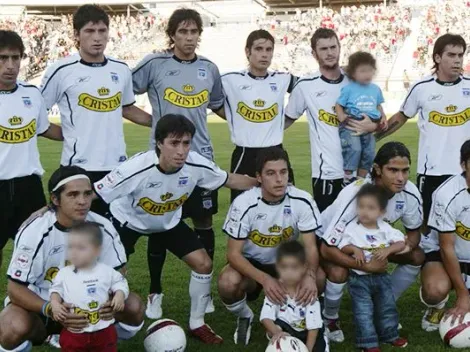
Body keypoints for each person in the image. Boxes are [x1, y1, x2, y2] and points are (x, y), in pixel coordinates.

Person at [94, 113, 258, 344]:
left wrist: (262, 183)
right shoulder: (136, 168)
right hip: (127, 222)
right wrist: (55, 206)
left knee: (203, 263)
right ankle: (101, 326)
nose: (181, 150)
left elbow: (228, 179)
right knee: (109, 275)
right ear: (159, 143)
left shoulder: (196, 165)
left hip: (168, 222)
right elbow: (96, 193)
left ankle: (197, 323)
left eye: (186, 143)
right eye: (174, 143)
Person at [131, 8, 225, 318]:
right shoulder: (154, 63)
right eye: (182, 32)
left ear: (200, 34)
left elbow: (219, 106)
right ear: (172, 35)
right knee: (160, 223)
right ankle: (155, 291)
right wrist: (155, 124)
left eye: (193, 32)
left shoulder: (209, 69)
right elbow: (121, 95)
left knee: (203, 222)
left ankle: (205, 292)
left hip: (201, 162)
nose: (188, 37)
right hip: (164, 164)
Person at [0, 166, 144, 352]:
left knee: (133, 306)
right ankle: (51, 335)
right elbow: (14, 289)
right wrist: (50, 309)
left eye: (87, 194)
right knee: (11, 326)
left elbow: (118, 272)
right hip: (43, 306)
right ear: (55, 199)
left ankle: (101, 337)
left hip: (93, 306)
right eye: (73, 195)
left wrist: (112, 299)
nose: (82, 201)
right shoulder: (35, 231)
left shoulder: (103, 227)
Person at [40, 4, 152, 217]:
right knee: (76, 235)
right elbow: (36, 115)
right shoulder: (61, 70)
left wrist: (158, 122)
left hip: (117, 167)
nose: (97, 37)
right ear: (76, 35)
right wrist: (67, 135)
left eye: (102, 31)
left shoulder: (120, 69)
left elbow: (126, 108)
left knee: (114, 234)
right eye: (90, 31)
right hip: (78, 167)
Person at [217, 147, 324, 345]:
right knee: (227, 282)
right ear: (258, 177)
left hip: (287, 265)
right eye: (270, 173)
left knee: (318, 277)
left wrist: (309, 277)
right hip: (253, 266)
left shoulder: (302, 200)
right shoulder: (244, 203)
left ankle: (304, 321)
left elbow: (310, 248)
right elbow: (233, 254)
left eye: (283, 172)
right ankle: (244, 316)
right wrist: (265, 279)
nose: (279, 179)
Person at [319, 142, 424, 343]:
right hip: (334, 242)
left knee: (417, 255)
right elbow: (327, 248)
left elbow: (414, 233)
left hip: (373, 243)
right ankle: (330, 318)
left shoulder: (409, 192)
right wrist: (368, 265)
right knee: (337, 272)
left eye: (405, 171)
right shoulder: (357, 193)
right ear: (377, 169)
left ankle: (383, 305)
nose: (400, 178)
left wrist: (404, 247)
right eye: (393, 170)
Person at [376, 34, 470, 234]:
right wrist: (373, 139)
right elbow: (401, 116)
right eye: (451, 55)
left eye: (461, 55)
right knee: (428, 229)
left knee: (463, 226)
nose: (458, 60)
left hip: (464, 171)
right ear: (437, 58)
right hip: (432, 171)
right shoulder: (421, 88)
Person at [284, 28, 377, 213]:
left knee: (359, 232)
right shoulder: (305, 85)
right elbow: (286, 120)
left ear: (340, 47)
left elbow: (380, 119)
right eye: (324, 49)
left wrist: (374, 124)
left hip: (359, 175)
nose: (330, 53)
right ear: (314, 53)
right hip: (326, 174)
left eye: (333, 47)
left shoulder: (356, 80)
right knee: (326, 233)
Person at [0, 30, 62, 269]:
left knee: (37, 251)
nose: (10, 65)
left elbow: (45, 129)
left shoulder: (32, 94)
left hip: (29, 185)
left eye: (15, 58)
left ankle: (30, 302)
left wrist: (84, 131)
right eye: (3, 58)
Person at [215, 29, 296, 201]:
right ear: (247, 51)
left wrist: (289, 118)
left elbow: (309, 89)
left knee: (285, 205)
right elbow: (211, 100)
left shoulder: (283, 79)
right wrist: (232, 117)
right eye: (259, 49)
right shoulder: (230, 80)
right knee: (242, 206)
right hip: (245, 154)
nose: (264, 54)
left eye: (269, 49)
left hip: (276, 151)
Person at [336, 184, 408, 351]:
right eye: (361, 207)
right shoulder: (352, 228)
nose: (364, 212)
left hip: (382, 277)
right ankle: (368, 342)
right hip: (359, 279)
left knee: (387, 307)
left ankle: (390, 335)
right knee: (363, 312)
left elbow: (400, 242)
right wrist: (354, 249)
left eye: (370, 208)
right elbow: (342, 246)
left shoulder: (385, 228)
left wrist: (388, 249)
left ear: (381, 212)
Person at [50, 222, 129, 352]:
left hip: (103, 329)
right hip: (74, 332)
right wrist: (55, 304)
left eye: (81, 248)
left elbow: (120, 282)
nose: (74, 252)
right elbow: (56, 290)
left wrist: (119, 295)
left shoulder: (106, 271)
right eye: (71, 247)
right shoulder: (64, 273)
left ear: (97, 250)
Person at [420, 140, 470, 331]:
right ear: (463, 165)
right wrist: (462, 294)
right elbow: (446, 246)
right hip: (445, 254)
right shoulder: (446, 194)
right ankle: (437, 307)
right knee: (435, 290)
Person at [261, 241, 329, 352]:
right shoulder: (275, 290)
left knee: (317, 345)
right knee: (274, 329)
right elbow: (266, 317)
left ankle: (324, 339)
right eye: (284, 267)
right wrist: (277, 332)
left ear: (304, 267)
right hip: (286, 330)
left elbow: (313, 327)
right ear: (277, 267)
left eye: (294, 267)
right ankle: (280, 343)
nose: (289, 272)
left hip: (308, 332)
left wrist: (307, 349)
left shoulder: (308, 292)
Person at [336, 52, 387, 185]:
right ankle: (348, 177)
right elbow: (339, 105)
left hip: (370, 125)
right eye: (362, 71)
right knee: (355, 149)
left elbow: (378, 105)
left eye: (370, 70)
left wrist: (383, 117)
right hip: (352, 123)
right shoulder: (348, 89)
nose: (367, 74)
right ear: (353, 73)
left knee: (369, 152)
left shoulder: (375, 89)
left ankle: (361, 179)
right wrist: (341, 117)